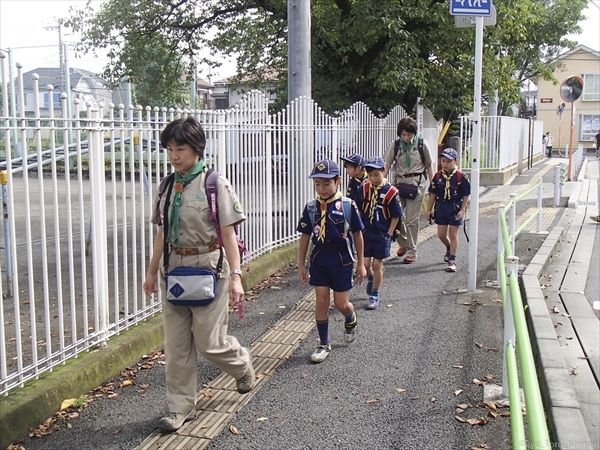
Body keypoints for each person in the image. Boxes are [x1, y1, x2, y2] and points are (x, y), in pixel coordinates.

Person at [143, 117, 255, 432]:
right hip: (174, 271)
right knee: (176, 346)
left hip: (209, 269)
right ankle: (180, 409)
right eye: (169, 148)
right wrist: (151, 273)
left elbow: (228, 234)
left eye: (180, 148)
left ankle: (241, 363)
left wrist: (236, 276)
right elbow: (162, 233)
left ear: (196, 148)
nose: (174, 155)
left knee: (209, 343)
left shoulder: (214, 184)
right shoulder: (166, 185)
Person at [297, 160, 367, 363]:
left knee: (341, 303)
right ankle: (323, 343)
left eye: (326, 183)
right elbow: (304, 236)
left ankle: (350, 317)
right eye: (317, 183)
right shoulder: (311, 207)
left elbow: (358, 235)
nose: (321, 188)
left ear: (338, 181)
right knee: (321, 301)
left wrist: (361, 263)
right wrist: (302, 264)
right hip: (319, 260)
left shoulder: (347, 205)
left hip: (341, 261)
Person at [354, 156, 403, 309]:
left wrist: (389, 233)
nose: (373, 178)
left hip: (382, 233)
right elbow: (359, 210)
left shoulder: (391, 192)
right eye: (370, 175)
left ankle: (375, 293)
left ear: (383, 171)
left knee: (377, 264)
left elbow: (396, 215)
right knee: (366, 265)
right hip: (367, 232)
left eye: (376, 174)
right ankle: (371, 279)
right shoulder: (364, 188)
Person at [384, 117, 434, 264]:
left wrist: (433, 185)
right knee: (394, 216)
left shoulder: (421, 144)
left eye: (409, 135)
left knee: (411, 220)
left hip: (416, 184)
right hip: (398, 183)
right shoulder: (396, 145)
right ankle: (404, 243)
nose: (406, 138)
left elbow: (429, 165)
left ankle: (412, 250)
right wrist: (380, 182)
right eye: (404, 135)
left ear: (414, 133)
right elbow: (387, 164)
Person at [426, 148, 471, 272]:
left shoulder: (461, 176)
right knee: (441, 234)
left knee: (453, 233)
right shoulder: (438, 176)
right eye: (443, 160)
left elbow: (466, 194)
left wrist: (462, 210)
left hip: (455, 206)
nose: (445, 164)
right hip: (442, 206)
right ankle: (449, 247)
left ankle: (452, 260)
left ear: (455, 161)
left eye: (448, 161)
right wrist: (429, 210)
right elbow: (433, 193)